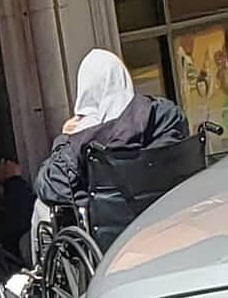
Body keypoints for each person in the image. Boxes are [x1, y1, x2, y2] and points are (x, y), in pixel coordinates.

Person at [34, 48, 188, 212]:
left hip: (114, 226)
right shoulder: (165, 115)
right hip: (170, 212)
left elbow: (49, 187)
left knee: (41, 209)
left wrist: (63, 139)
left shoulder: (78, 140)